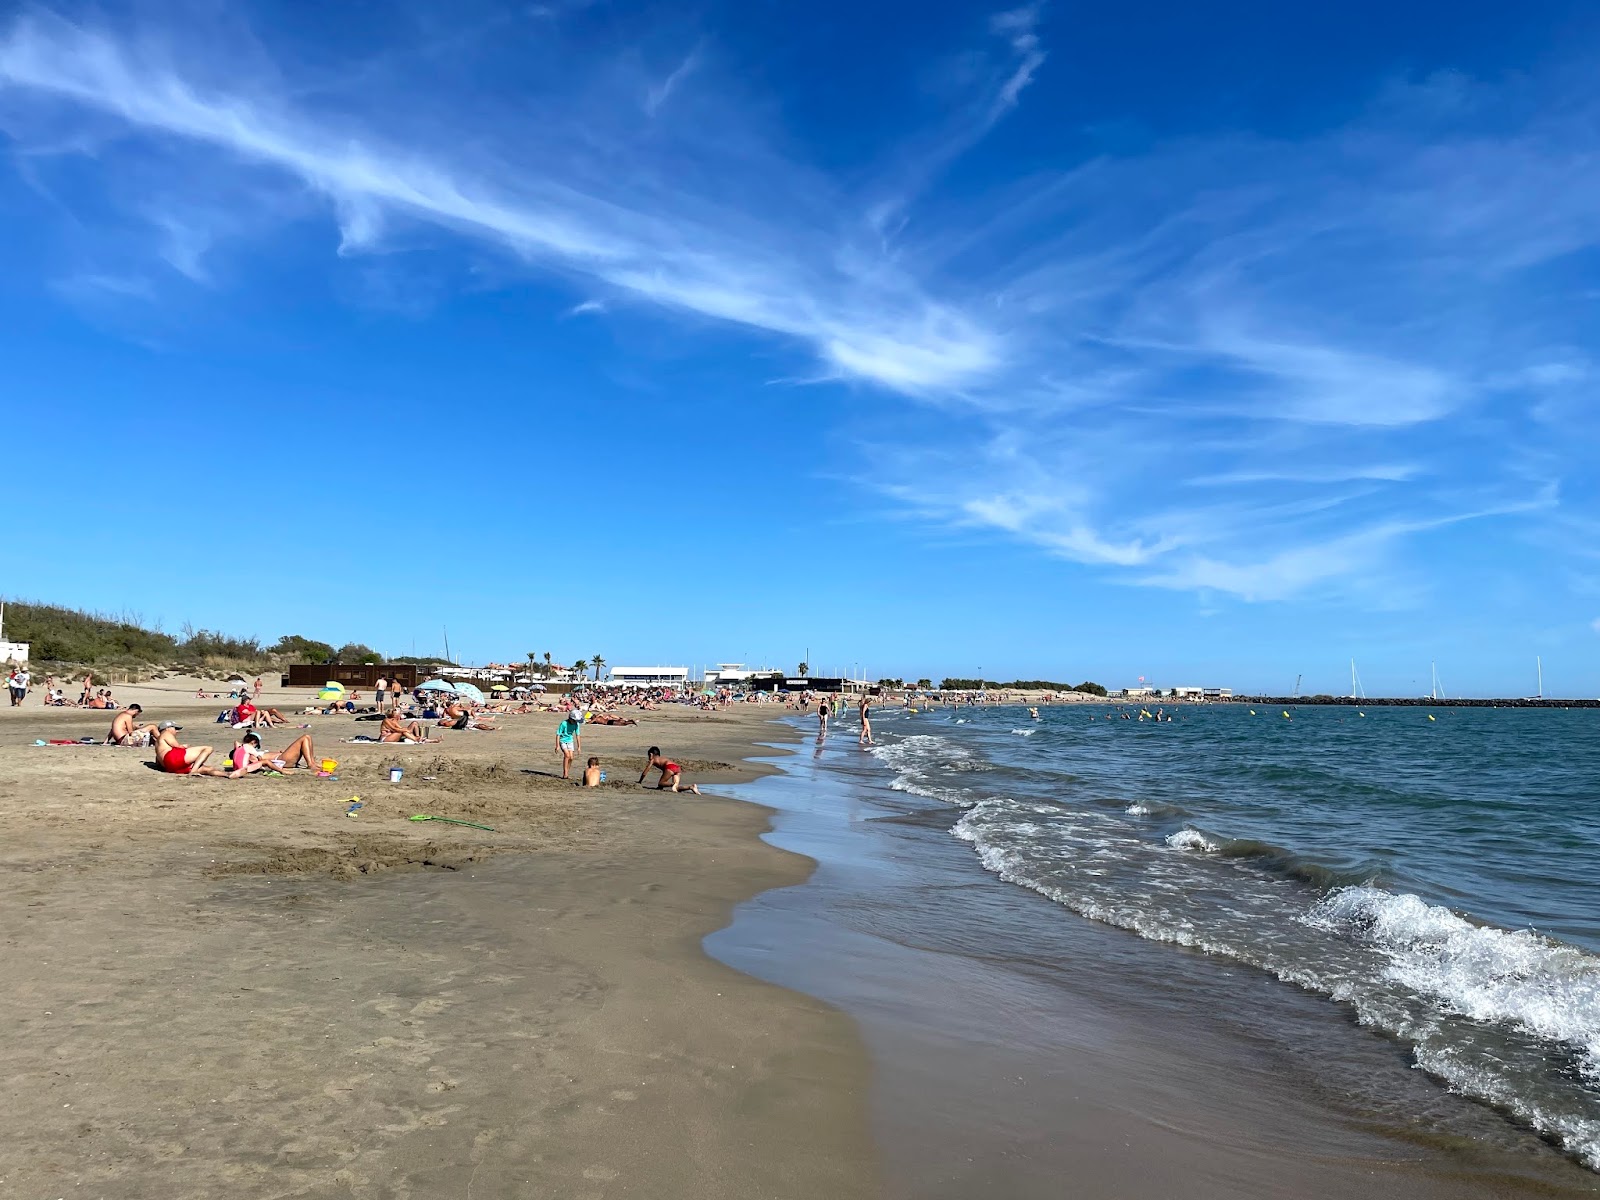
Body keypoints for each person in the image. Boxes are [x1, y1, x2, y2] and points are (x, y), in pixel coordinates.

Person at [229, 730, 321, 776]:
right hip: (281, 760)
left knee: (307, 738)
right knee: (305, 737)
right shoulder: (249, 752)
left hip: (282, 757)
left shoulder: (251, 750)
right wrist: (238, 749)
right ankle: (310, 763)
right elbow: (236, 743)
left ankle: (312, 762)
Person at [153, 721, 227, 776]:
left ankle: (227, 774)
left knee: (207, 768)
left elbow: (158, 761)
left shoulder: (158, 742)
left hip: (170, 767)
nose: (177, 731)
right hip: (173, 758)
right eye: (175, 728)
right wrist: (185, 746)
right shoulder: (166, 733)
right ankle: (194, 771)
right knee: (208, 749)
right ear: (167, 728)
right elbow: (177, 746)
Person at [556, 711, 583, 779]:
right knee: (567, 755)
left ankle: (567, 771)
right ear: (571, 719)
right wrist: (557, 746)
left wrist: (579, 746)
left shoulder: (576, 724)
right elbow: (558, 734)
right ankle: (565, 772)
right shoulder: (564, 723)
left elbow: (578, 735)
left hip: (570, 741)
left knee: (571, 757)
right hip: (563, 741)